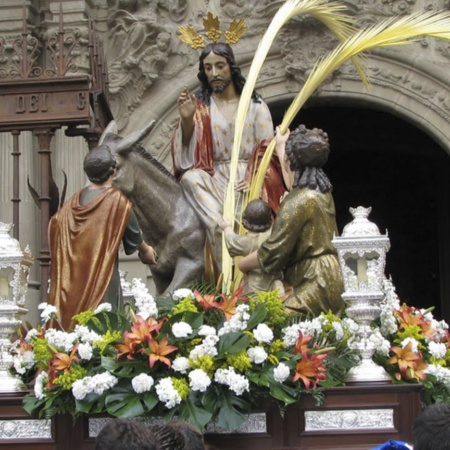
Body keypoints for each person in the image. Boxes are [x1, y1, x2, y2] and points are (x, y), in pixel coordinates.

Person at [171, 42, 286, 268]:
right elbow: (184, 156)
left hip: (248, 178)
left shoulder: (255, 106)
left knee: (254, 212)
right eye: (208, 68)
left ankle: (247, 260)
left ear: (231, 67)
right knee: (190, 178)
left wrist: (253, 176)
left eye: (220, 66)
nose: (214, 73)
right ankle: (222, 238)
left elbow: (267, 150)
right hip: (213, 177)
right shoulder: (200, 107)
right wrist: (186, 120)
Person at [238, 125, 345, 317]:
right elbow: (292, 182)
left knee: (273, 321)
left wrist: (242, 264)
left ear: (291, 161)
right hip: (331, 275)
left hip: (314, 280)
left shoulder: (298, 201)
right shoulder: (321, 191)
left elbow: (273, 251)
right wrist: (281, 146)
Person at [48, 144, 157, 330]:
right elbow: (136, 239)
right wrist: (147, 251)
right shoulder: (117, 201)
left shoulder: (69, 205)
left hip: (70, 290)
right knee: (106, 333)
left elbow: (54, 225)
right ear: (113, 171)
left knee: (72, 339)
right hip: (102, 282)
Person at [218, 199, 284, 294]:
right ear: (270, 219)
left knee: (253, 305)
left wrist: (226, 227)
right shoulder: (274, 233)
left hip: (255, 286)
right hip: (274, 281)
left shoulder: (246, 241)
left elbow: (231, 243)